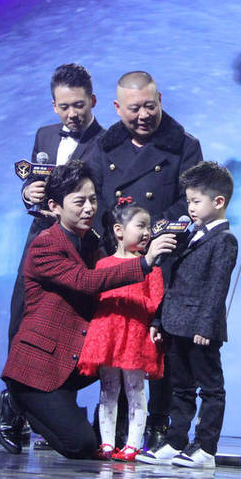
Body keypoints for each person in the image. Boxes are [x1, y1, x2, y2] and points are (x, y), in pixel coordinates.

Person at [0, 160, 177, 458]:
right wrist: (144, 263)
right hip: (39, 367)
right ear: (55, 206)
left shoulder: (91, 242)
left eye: (93, 200)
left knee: (122, 359)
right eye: (79, 202)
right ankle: (15, 402)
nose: (89, 209)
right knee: (80, 446)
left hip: (72, 360)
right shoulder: (45, 245)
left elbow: (114, 277)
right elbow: (85, 281)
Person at [0, 63, 105, 448]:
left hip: (79, 247)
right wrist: (28, 193)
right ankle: (13, 413)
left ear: (93, 101)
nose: (72, 114)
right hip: (41, 241)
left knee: (70, 327)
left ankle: (55, 417)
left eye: (79, 105)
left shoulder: (107, 141)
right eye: (64, 107)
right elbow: (35, 180)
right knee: (22, 321)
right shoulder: (45, 135)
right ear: (53, 106)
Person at [87, 70, 203, 448]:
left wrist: (149, 235)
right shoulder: (103, 146)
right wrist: (115, 240)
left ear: (160, 100)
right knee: (118, 340)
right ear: (117, 107)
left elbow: (189, 201)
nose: (143, 116)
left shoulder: (184, 145)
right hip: (117, 257)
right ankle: (115, 423)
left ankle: (157, 422)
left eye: (149, 106)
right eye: (134, 108)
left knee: (159, 342)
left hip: (163, 258)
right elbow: (93, 195)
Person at [136, 161, 238, 469]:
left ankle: (205, 447)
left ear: (218, 201)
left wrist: (205, 326)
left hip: (200, 328)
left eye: (196, 201)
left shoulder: (224, 240)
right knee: (180, 388)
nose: (190, 208)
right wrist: (159, 319)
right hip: (176, 323)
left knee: (210, 388)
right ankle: (175, 440)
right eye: (189, 201)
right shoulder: (190, 236)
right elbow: (173, 284)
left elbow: (217, 288)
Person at [77, 198, 165, 462]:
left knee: (135, 390)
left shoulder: (152, 268)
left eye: (148, 227)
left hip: (135, 335)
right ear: (119, 230)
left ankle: (133, 444)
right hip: (108, 334)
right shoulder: (103, 265)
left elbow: (157, 301)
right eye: (141, 226)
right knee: (108, 390)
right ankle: (106, 443)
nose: (147, 232)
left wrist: (154, 324)